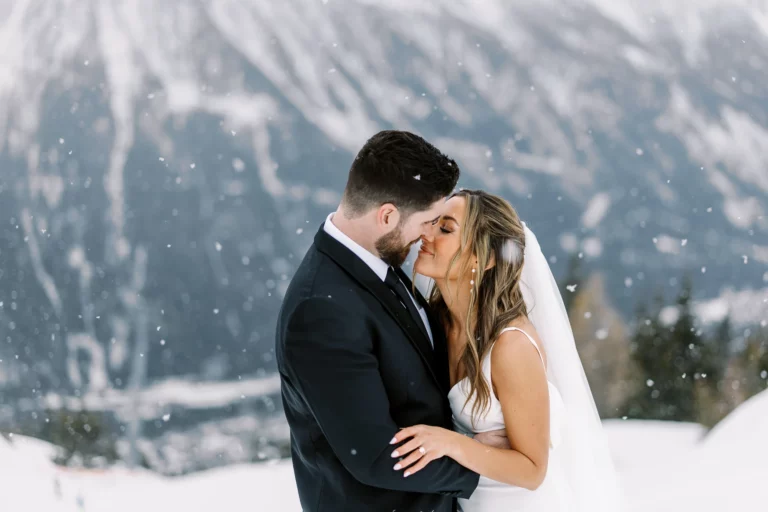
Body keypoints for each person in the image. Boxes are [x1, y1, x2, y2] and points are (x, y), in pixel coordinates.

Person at [276, 131, 487, 511]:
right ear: (387, 215)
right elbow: (376, 457)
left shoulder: (374, 260)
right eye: (427, 221)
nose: (429, 235)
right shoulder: (320, 310)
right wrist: (492, 469)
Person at [389, 189, 625, 512]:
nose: (426, 234)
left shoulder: (510, 346)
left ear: (484, 258)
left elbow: (532, 470)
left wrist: (452, 443)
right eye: (432, 222)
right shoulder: (439, 322)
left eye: (445, 228)